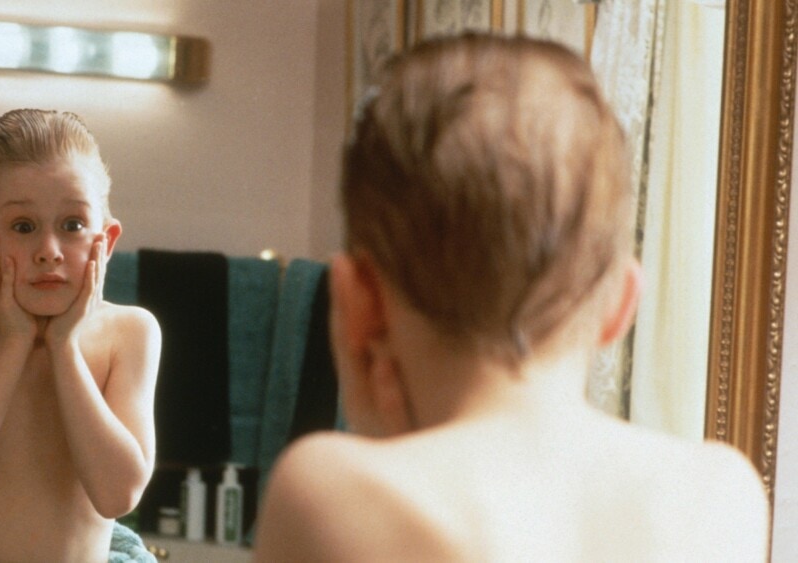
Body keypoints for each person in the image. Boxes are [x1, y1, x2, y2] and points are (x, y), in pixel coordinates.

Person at [252, 33, 769, 562]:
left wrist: (382, 442)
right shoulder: (719, 496)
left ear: (357, 300)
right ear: (620, 305)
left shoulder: (326, 493)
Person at [0, 109, 161, 562]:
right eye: (23, 227)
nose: (49, 252)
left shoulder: (130, 332)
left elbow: (118, 496)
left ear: (107, 240)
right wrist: (13, 342)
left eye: (73, 225)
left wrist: (65, 346)